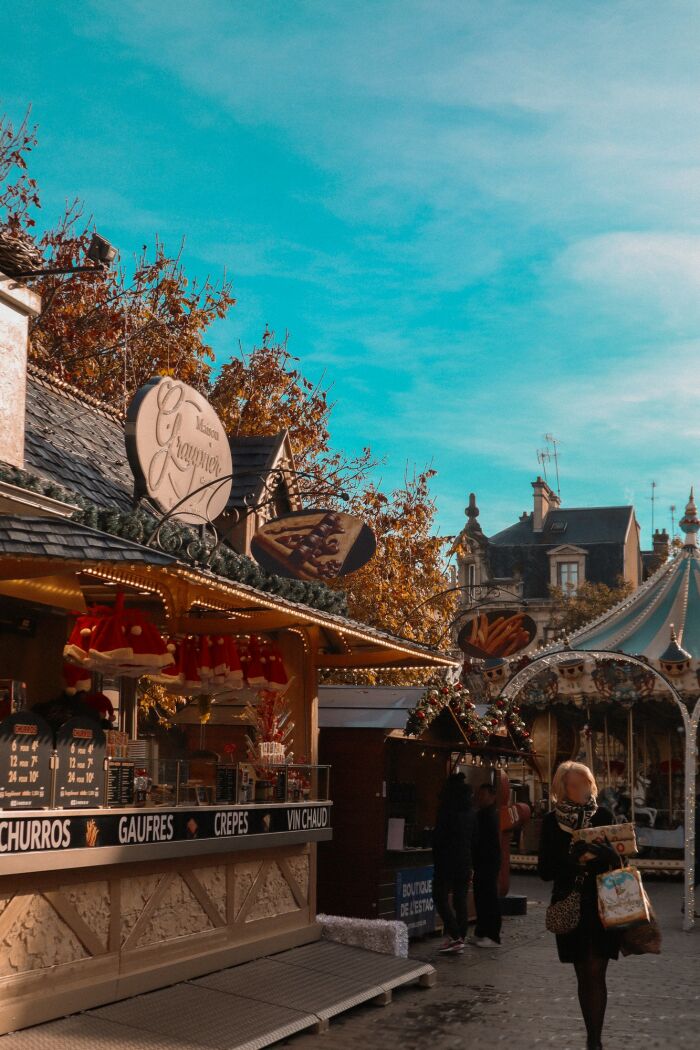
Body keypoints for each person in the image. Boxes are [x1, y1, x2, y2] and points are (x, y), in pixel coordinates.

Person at [538, 761, 621, 1050]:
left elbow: (622, 862)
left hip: (602, 905)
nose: (583, 789)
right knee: (584, 974)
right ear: (563, 788)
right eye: (575, 784)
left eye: (586, 783)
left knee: (596, 971)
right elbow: (545, 869)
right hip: (571, 904)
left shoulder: (605, 816)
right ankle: (592, 1034)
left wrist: (609, 854)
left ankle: (594, 1041)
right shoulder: (551, 822)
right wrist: (570, 860)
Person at [432, 773, 474, 955]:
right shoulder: (470, 812)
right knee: (460, 900)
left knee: (440, 896)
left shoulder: (447, 810)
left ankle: (455, 936)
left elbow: (439, 837)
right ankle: (460, 937)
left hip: (446, 861)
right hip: (465, 861)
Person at [471, 780, 502, 947]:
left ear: (492, 796)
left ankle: (493, 935)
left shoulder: (489, 814)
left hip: (488, 862)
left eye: (483, 795)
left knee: (488, 898)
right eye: (478, 794)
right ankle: (482, 931)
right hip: (482, 862)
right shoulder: (484, 813)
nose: (479, 798)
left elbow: (486, 842)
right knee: (481, 897)